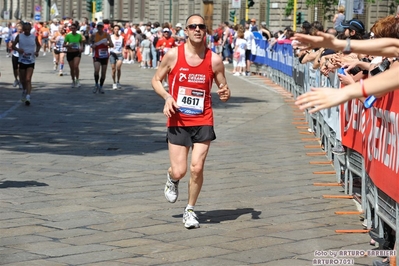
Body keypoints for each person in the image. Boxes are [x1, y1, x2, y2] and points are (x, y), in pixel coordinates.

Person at [151, 14, 230, 229]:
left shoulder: (214, 60)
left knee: (197, 167)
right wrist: (167, 97)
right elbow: (156, 80)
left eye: (201, 26)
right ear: (185, 31)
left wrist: (225, 93)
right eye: (192, 26)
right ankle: (171, 178)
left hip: (203, 119)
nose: (197, 29)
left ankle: (190, 209)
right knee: (180, 171)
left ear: (206, 30)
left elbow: (223, 87)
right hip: (177, 119)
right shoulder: (173, 56)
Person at [11, 22, 41, 106]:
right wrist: (18, 49)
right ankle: (24, 91)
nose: (27, 31)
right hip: (22, 60)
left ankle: (28, 96)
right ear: (23, 29)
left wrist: (37, 52)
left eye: (28, 29)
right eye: (25, 29)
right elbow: (12, 46)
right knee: (23, 80)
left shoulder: (34, 37)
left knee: (28, 79)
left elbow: (38, 45)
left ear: (31, 29)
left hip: (31, 60)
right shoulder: (19, 36)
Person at [90, 22, 113, 94]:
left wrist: (108, 44)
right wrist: (92, 45)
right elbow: (90, 42)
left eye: (101, 27)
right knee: (96, 70)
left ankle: (101, 86)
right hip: (96, 55)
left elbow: (112, 44)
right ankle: (96, 84)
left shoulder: (107, 35)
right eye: (98, 27)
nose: (99, 28)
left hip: (104, 56)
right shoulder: (94, 35)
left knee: (103, 73)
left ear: (103, 28)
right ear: (97, 28)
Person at [63, 22, 84, 88]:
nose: (73, 29)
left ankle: (77, 80)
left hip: (77, 52)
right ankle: (73, 80)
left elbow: (81, 43)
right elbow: (64, 44)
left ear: (76, 29)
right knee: (72, 68)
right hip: (70, 52)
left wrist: (81, 47)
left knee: (76, 66)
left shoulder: (79, 35)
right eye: (72, 28)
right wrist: (68, 45)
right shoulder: (68, 36)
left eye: (74, 28)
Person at [109, 24, 124, 89]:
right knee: (113, 69)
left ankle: (118, 81)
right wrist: (110, 46)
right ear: (113, 30)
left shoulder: (121, 37)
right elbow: (108, 44)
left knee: (118, 68)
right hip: (112, 53)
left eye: (117, 29)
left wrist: (123, 52)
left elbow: (123, 46)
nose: (116, 30)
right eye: (115, 29)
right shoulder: (111, 37)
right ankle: (114, 82)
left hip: (119, 54)